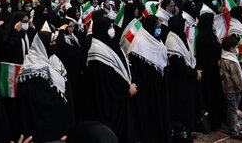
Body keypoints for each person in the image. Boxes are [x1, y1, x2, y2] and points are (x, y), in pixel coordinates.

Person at [14, 30, 74, 142]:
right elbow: (37, 98)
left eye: (54, 42)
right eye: (51, 42)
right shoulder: (31, 67)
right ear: (42, 45)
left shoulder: (54, 60)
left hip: (58, 123)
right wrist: (57, 98)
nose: (54, 44)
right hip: (40, 127)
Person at [84, 17, 136, 143]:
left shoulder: (110, 43)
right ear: (102, 29)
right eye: (110, 27)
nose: (112, 30)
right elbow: (107, 80)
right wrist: (126, 88)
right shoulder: (97, 51)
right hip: (110, 105)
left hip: (121, 101)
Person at [127, 15, 171, 143]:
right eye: (157, 26)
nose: (159, 28)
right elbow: (137, 69)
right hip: (147, 89)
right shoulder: (139, 42)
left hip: (159, 85)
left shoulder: (155, 38)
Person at [166, 15, 200, 142]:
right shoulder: (171, 41)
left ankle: (189, 131)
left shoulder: (181, 37)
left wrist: (195, 71)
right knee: (182, 108)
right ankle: (182, 133)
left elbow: (188, 56)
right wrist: (194, 73)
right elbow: (178, 65)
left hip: (188, 80)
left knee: (189, 107)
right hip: (179, 82)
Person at [218, 35, 242, 141]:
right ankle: (234, 131)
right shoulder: (231, 61)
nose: (237, 49)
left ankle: (232, 127)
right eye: (236, 47)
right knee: (233, 110)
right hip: (232, 90)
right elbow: (236, 78)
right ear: (232, 49)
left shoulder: (224, 58)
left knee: (232, 109)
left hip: (227, 89)